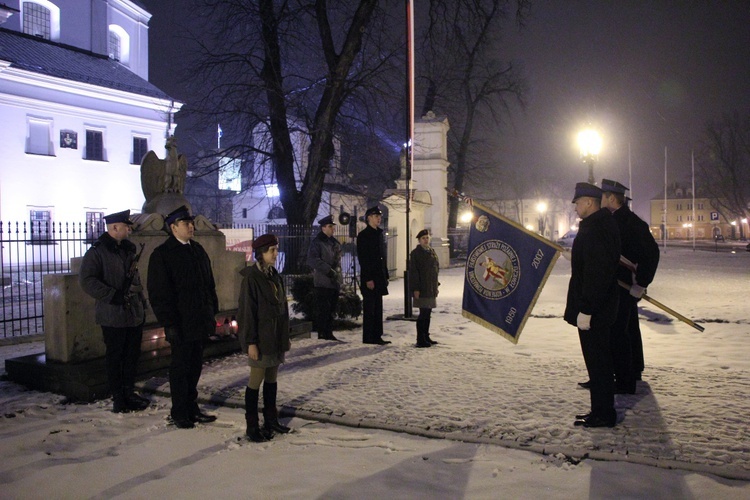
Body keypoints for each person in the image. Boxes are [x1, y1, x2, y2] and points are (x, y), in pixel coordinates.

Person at [147, 205, 219, 429]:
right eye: (186, 223)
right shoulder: (163, 255)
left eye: (191, 223)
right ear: (173, 227)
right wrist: (169, 323)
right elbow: (159, 293)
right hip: (180, 322)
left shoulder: (197, 250)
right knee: (180, 368)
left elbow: (208, 284)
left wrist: (211, 311)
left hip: (199, 320)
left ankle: (192, 406)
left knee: (195, 366)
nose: (191, 226)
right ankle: (179, 411)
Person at [79, 209, 149, 413]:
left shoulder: (128, 250)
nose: (129, 230)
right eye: (126, 226)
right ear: (114, 228)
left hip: (133, 314)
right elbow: (87, 281)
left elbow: (135, 281)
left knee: (131, 356)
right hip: (112, 314)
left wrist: (141, 304)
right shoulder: (97, 252)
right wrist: (112, 295)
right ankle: (118, 396)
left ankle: (128, 392)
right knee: (115, 357)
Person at [564, 183, 621, 428]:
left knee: (599, 364)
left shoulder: (597, 228)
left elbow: (597, 273)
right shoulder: (598, 225)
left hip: (595, 311)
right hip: (598, 308)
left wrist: (586, 309)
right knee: (598, 364)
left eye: (578, 202)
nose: (576, 207)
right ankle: (599, 410)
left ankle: (604, 414)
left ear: (589, 202)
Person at [601, 178, 660, 392]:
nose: (600, 200)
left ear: (611, 198)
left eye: (602, 196)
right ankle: (630, 371)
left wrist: (642, 283)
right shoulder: (612, 220)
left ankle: (625, 378)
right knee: (627, 329)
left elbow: (651, 254)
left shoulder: (632, 223)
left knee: (620, 332)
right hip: (615, 285)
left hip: (626, 286)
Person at [237, 234, 292, 442]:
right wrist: (250, 342)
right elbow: (247, 313)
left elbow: (283, 309)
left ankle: (271, 420)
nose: (276, 254)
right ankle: (252, 426)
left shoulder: (274, 275)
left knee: (271, 380)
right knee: (255, 382)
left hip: (275, 338)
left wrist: (285, 336)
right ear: (261, 253)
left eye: (276, 250)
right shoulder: (252, 278)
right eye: (272, 251)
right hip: (260, 339)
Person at [356, 206, 390, 345]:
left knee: (378, 307)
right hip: (370, 277)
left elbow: (382, 256)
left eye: (379, 216)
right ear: (369, 218)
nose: (379, 219)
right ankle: (369, 336)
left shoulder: (378, 234)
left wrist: (385, 274)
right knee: (370, 308)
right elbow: (364, 258)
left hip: (379, 275)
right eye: (376, 216)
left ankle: (377, 335)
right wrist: (368, 278)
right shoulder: (364, 235)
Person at [307, 215, 343, 341]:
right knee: (324, 310)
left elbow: (338, 261)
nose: (332, 229)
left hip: (333, 282)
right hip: (323, 282)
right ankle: (323, 333)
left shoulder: (334, 243)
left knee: (331, 309)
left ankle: (329, 332)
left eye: (333, 226)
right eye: (330, 226)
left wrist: (337, 276)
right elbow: (313, 260)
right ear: (323, 228)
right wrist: (328, 270)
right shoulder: (317, 243)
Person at [409, 229, 440, 348]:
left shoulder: (431, 251)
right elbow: (414, 272)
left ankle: (426, 335)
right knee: (423, 314)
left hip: (430, 287)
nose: (426, 240)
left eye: (427, 238)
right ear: (419, 240)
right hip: (422, 287)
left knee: (428, 313)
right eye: (423, 238)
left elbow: (435, 269)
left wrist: (436, 284)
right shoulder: (416, 253)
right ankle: (420, 338)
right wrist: (416, 288)